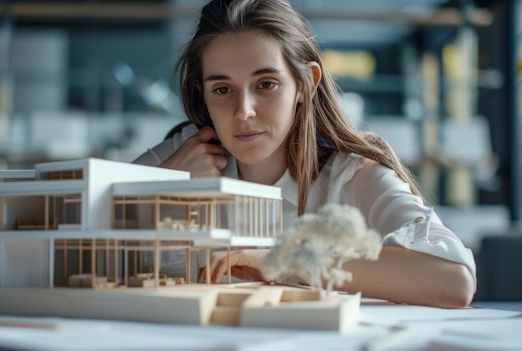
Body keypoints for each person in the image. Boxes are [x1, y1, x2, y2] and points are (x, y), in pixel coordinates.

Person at [133, 0, 476, 308]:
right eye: (222, 89)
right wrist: (164, 184)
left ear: (305, 83)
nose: (244, 111)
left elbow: (454, 280)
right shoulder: (184, 152)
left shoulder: (352, 175)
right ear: (202, 94)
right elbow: (81, 247)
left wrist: (285, 260)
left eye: (266, 84)